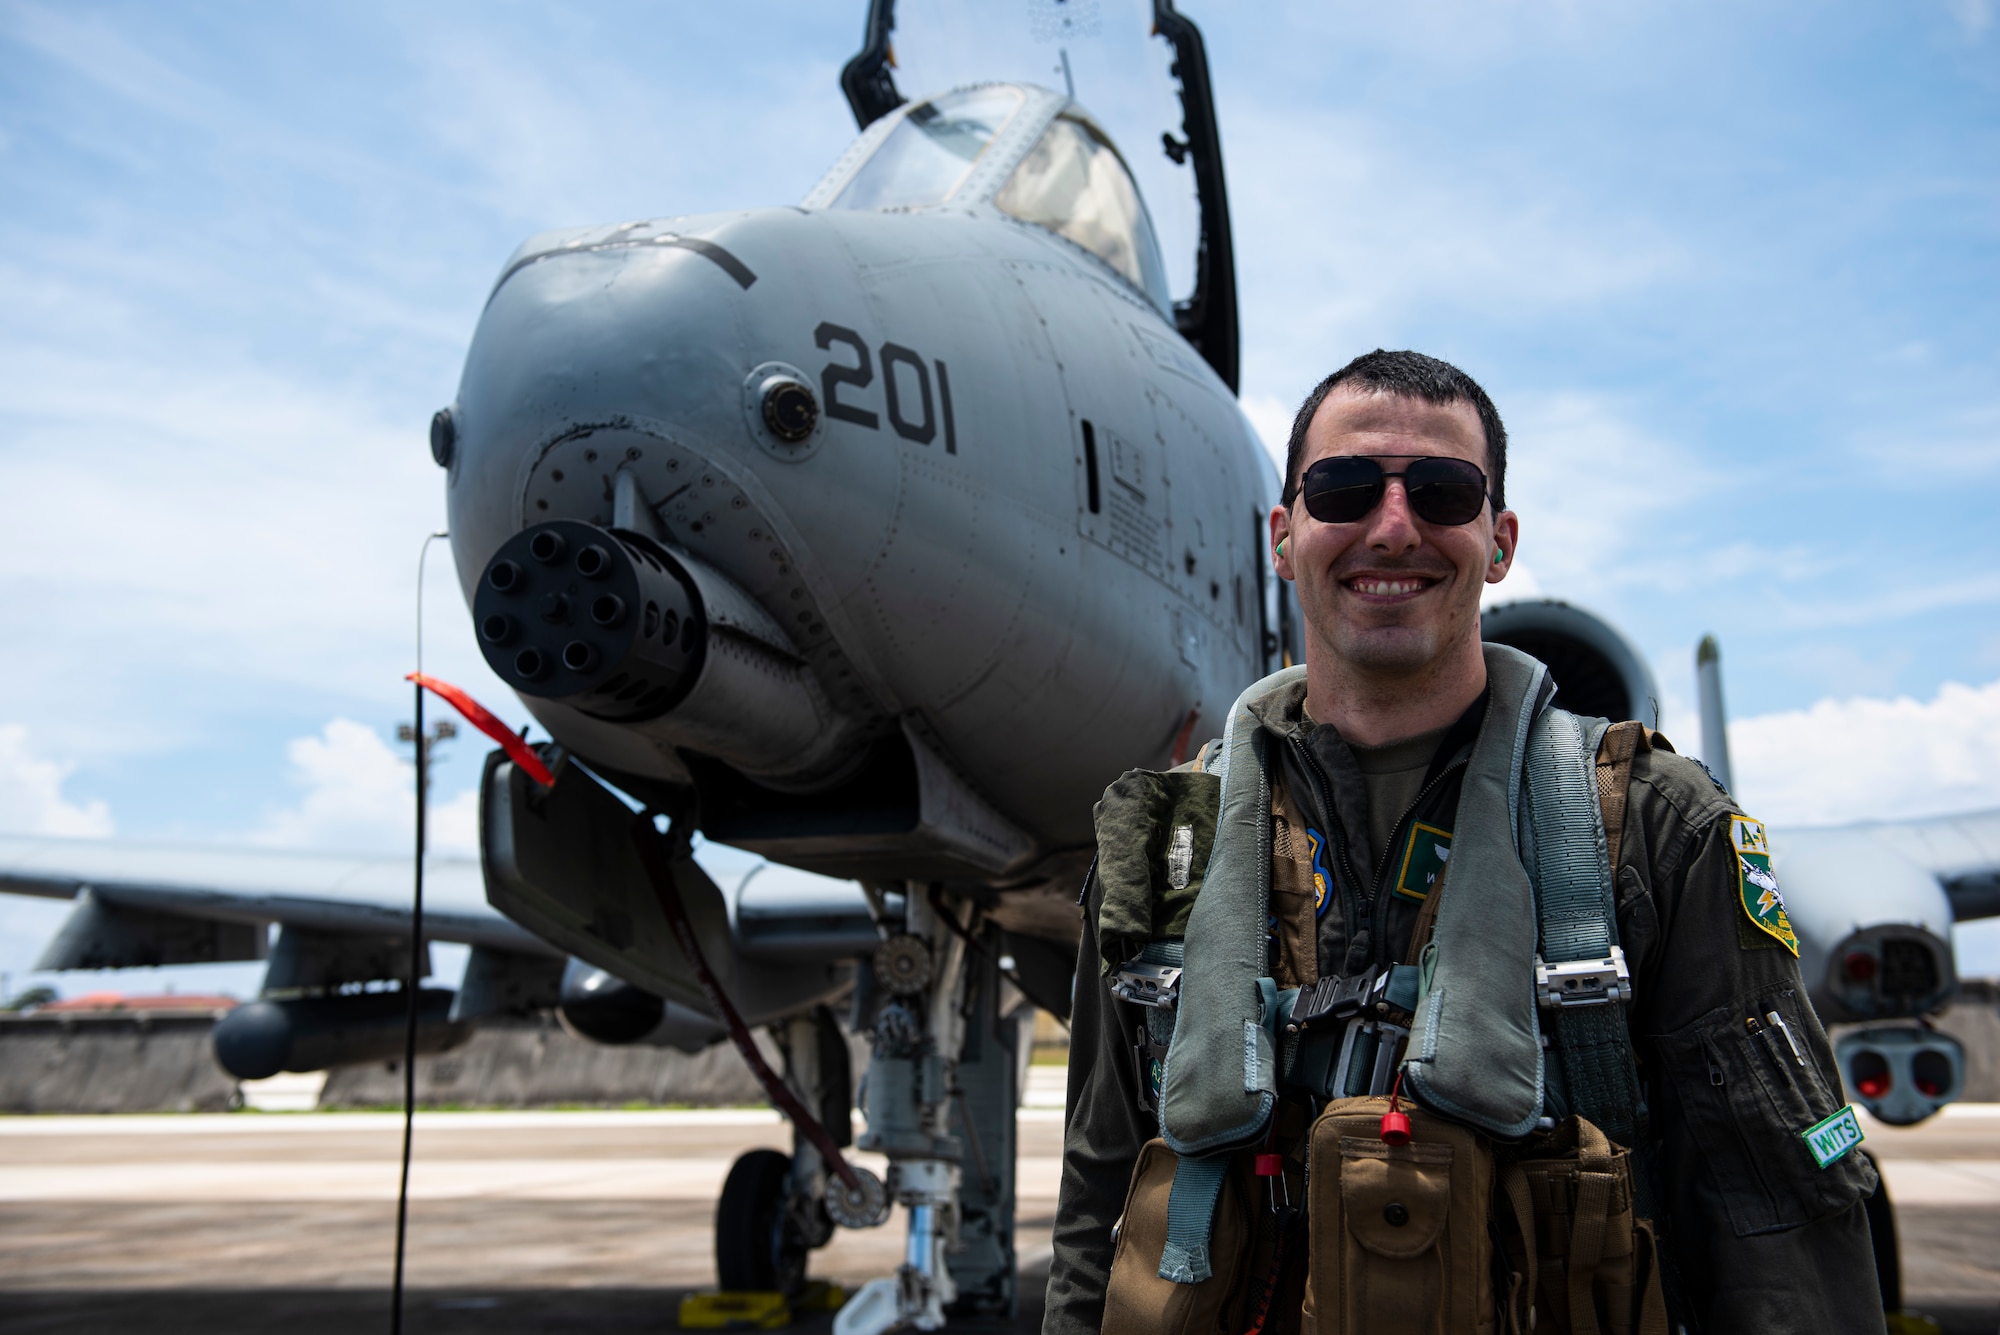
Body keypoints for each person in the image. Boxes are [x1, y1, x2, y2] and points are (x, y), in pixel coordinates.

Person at [1042, 350, 1884, 1335]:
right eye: (1342, 488)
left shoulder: (1655, 826)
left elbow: (1778, 1225)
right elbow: (1097, 1203)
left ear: (1499, 541)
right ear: (1283, 535)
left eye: (1442, 493)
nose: (1391, 527)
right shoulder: (1162, 844)